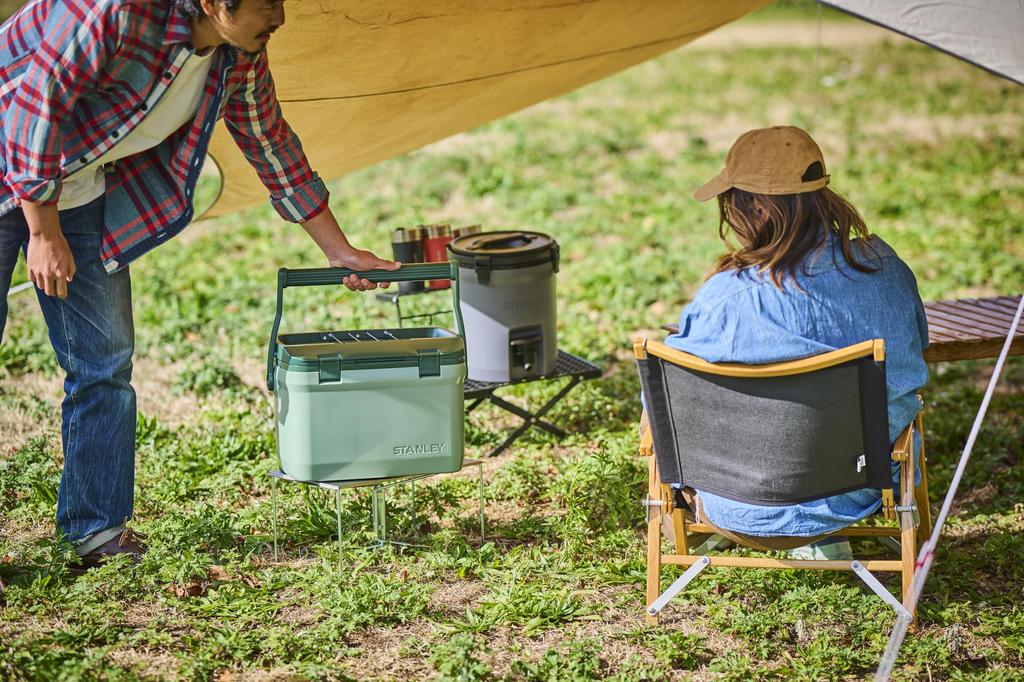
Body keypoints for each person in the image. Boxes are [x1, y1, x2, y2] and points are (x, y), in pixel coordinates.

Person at [0, 0, 399, 568]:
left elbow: (271, 143)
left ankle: (95, 532)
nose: (280, 16)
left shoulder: (239, 55)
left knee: (104, 361)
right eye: (267, 5)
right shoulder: (117, 12)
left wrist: (338, 249)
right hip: (9, 158)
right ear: (214, 3)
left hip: (75, 184)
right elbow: (35, 105)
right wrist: (42, 229)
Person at [664, 125, 929, 559]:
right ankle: (824, 533)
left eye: (729, 203)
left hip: (740, 502)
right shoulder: (887, 270)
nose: (728, 215)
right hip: (862, 492)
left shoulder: (729, 296)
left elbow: (672, 404)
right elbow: (914, 358)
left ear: (760, 208)